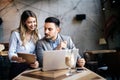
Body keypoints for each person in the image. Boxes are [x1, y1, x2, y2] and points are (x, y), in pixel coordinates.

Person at [8, 10, 40, 79]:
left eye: (34, 22)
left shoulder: (37, 36)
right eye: (29, 22)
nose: (33, 24)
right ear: (24, 22)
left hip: (31, 67)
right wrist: (16, 58)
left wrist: (37, 63)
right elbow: (11, 52)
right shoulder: (15, 34)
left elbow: (37, 54)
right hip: (17, 67)